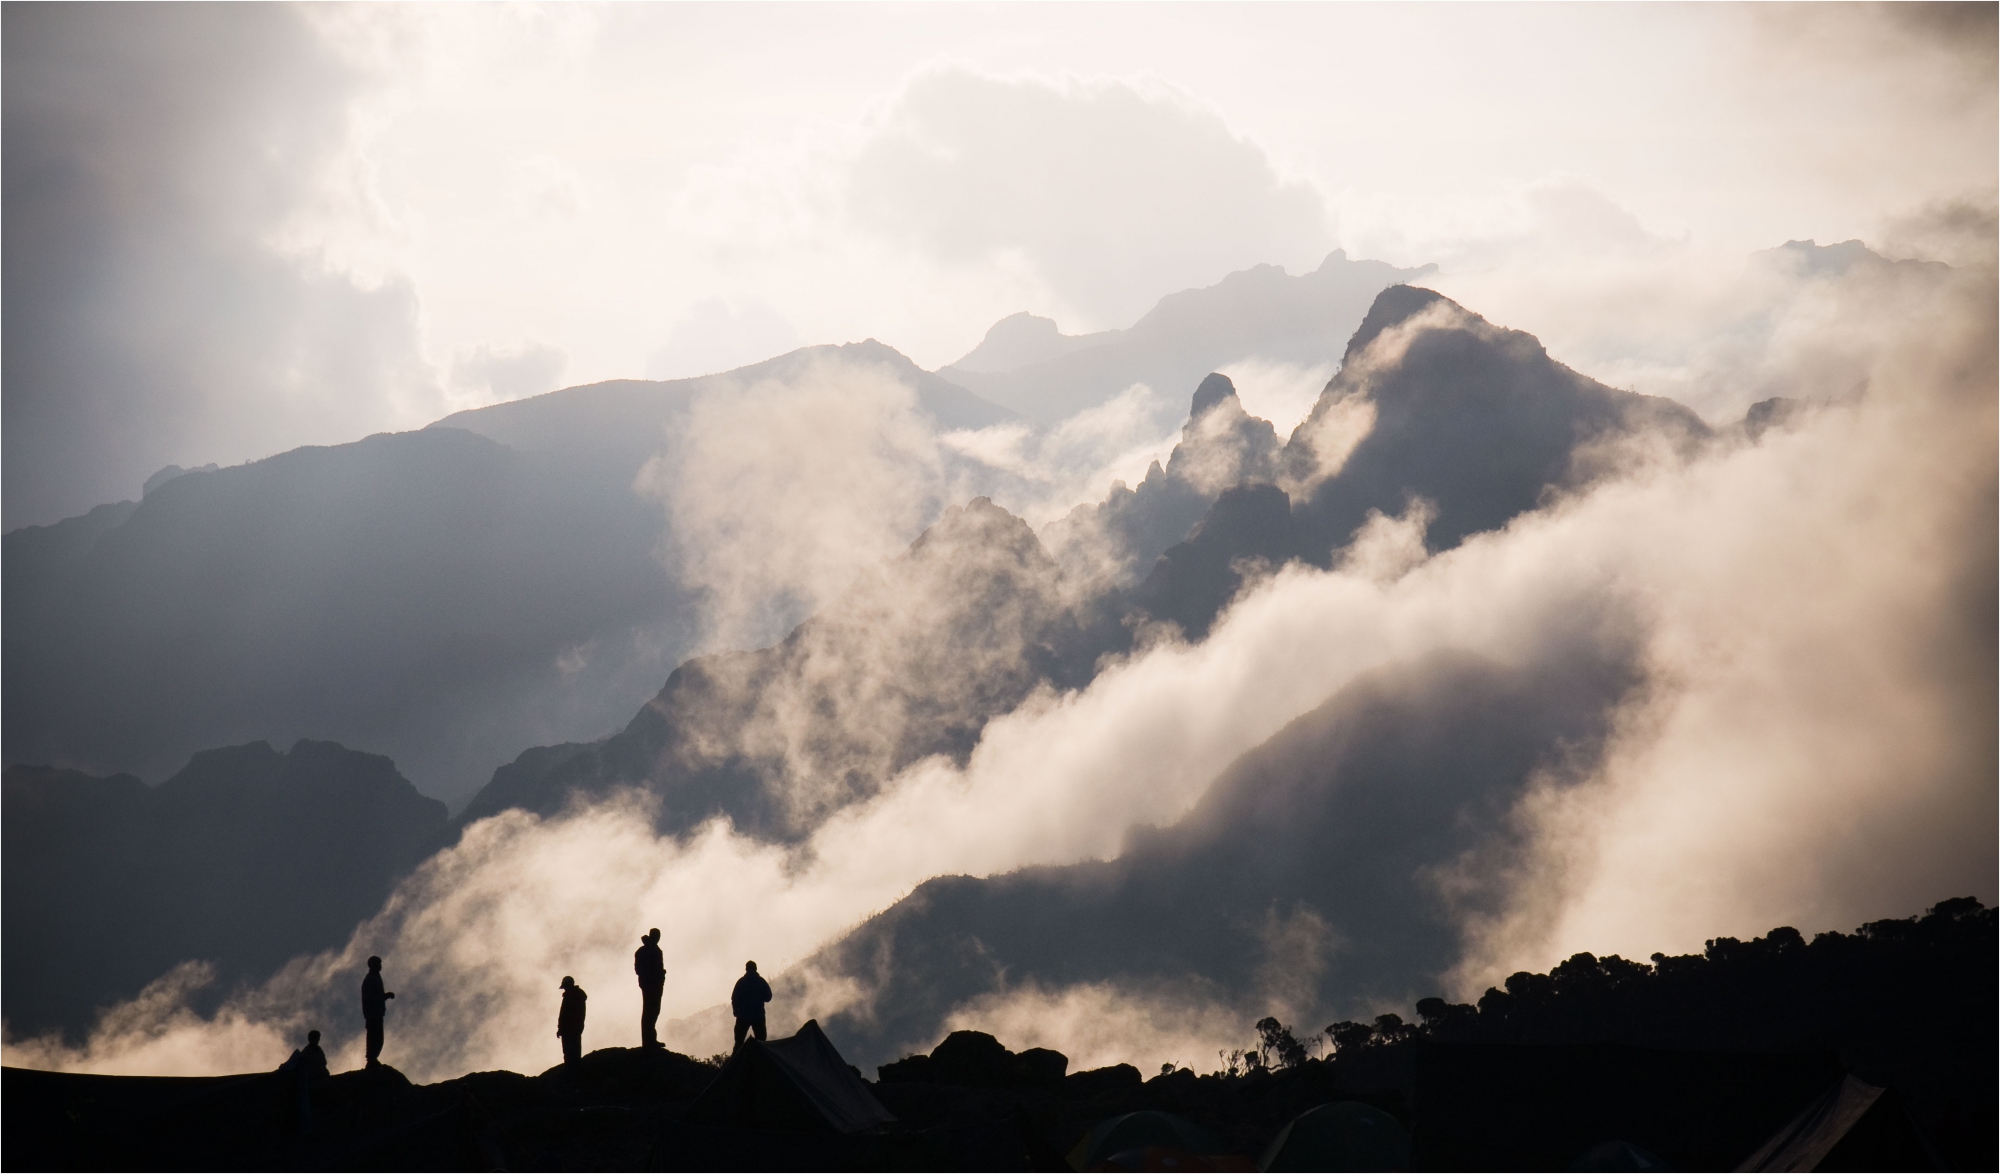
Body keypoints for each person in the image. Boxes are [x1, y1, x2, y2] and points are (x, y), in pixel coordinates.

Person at [634, 928, 666, 1049]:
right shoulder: (651, 951)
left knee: (652, 1012)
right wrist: (656, 974)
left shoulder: (645, 951)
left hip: (652, 984)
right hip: (651, 985)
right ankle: (649, 1042)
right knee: (650, 1012)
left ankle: (650, 1040)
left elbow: (638, 969)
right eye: (657, 936)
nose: (658, 938)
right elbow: (639, 970)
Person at [361, 956, 394, 1068]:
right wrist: (384, 996)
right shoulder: (370, 979)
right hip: (373, 1014)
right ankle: (371, 1058)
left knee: (378, 1037)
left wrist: (385, 996)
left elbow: (377, 995)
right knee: (374, 1036)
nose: (380, 966)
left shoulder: (375, 977)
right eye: (378, 963)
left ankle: (373, 1058)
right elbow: (371, 997)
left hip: (377, 1012)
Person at [730, 960, 771, 1047]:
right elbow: (768, 997)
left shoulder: (741, 982)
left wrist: (736, 1011)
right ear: (756, 968)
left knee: (739, 1043)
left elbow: (734, 998)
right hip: (758, 1015)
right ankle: (759, 1059)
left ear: (746, 969)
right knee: (761, 1043)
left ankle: (737, 1060)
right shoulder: (761, 982)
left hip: (743, 1016)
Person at [557, 975, 588, 1065]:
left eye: (565, 987)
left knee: (569, 1053)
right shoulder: (578, 996)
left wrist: (561, 1028)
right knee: (575, 1052)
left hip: (569, 1029)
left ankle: (571, 1073)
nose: (565, 989)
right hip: (576, 1028)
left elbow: (564, 1015)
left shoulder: (570, 997)